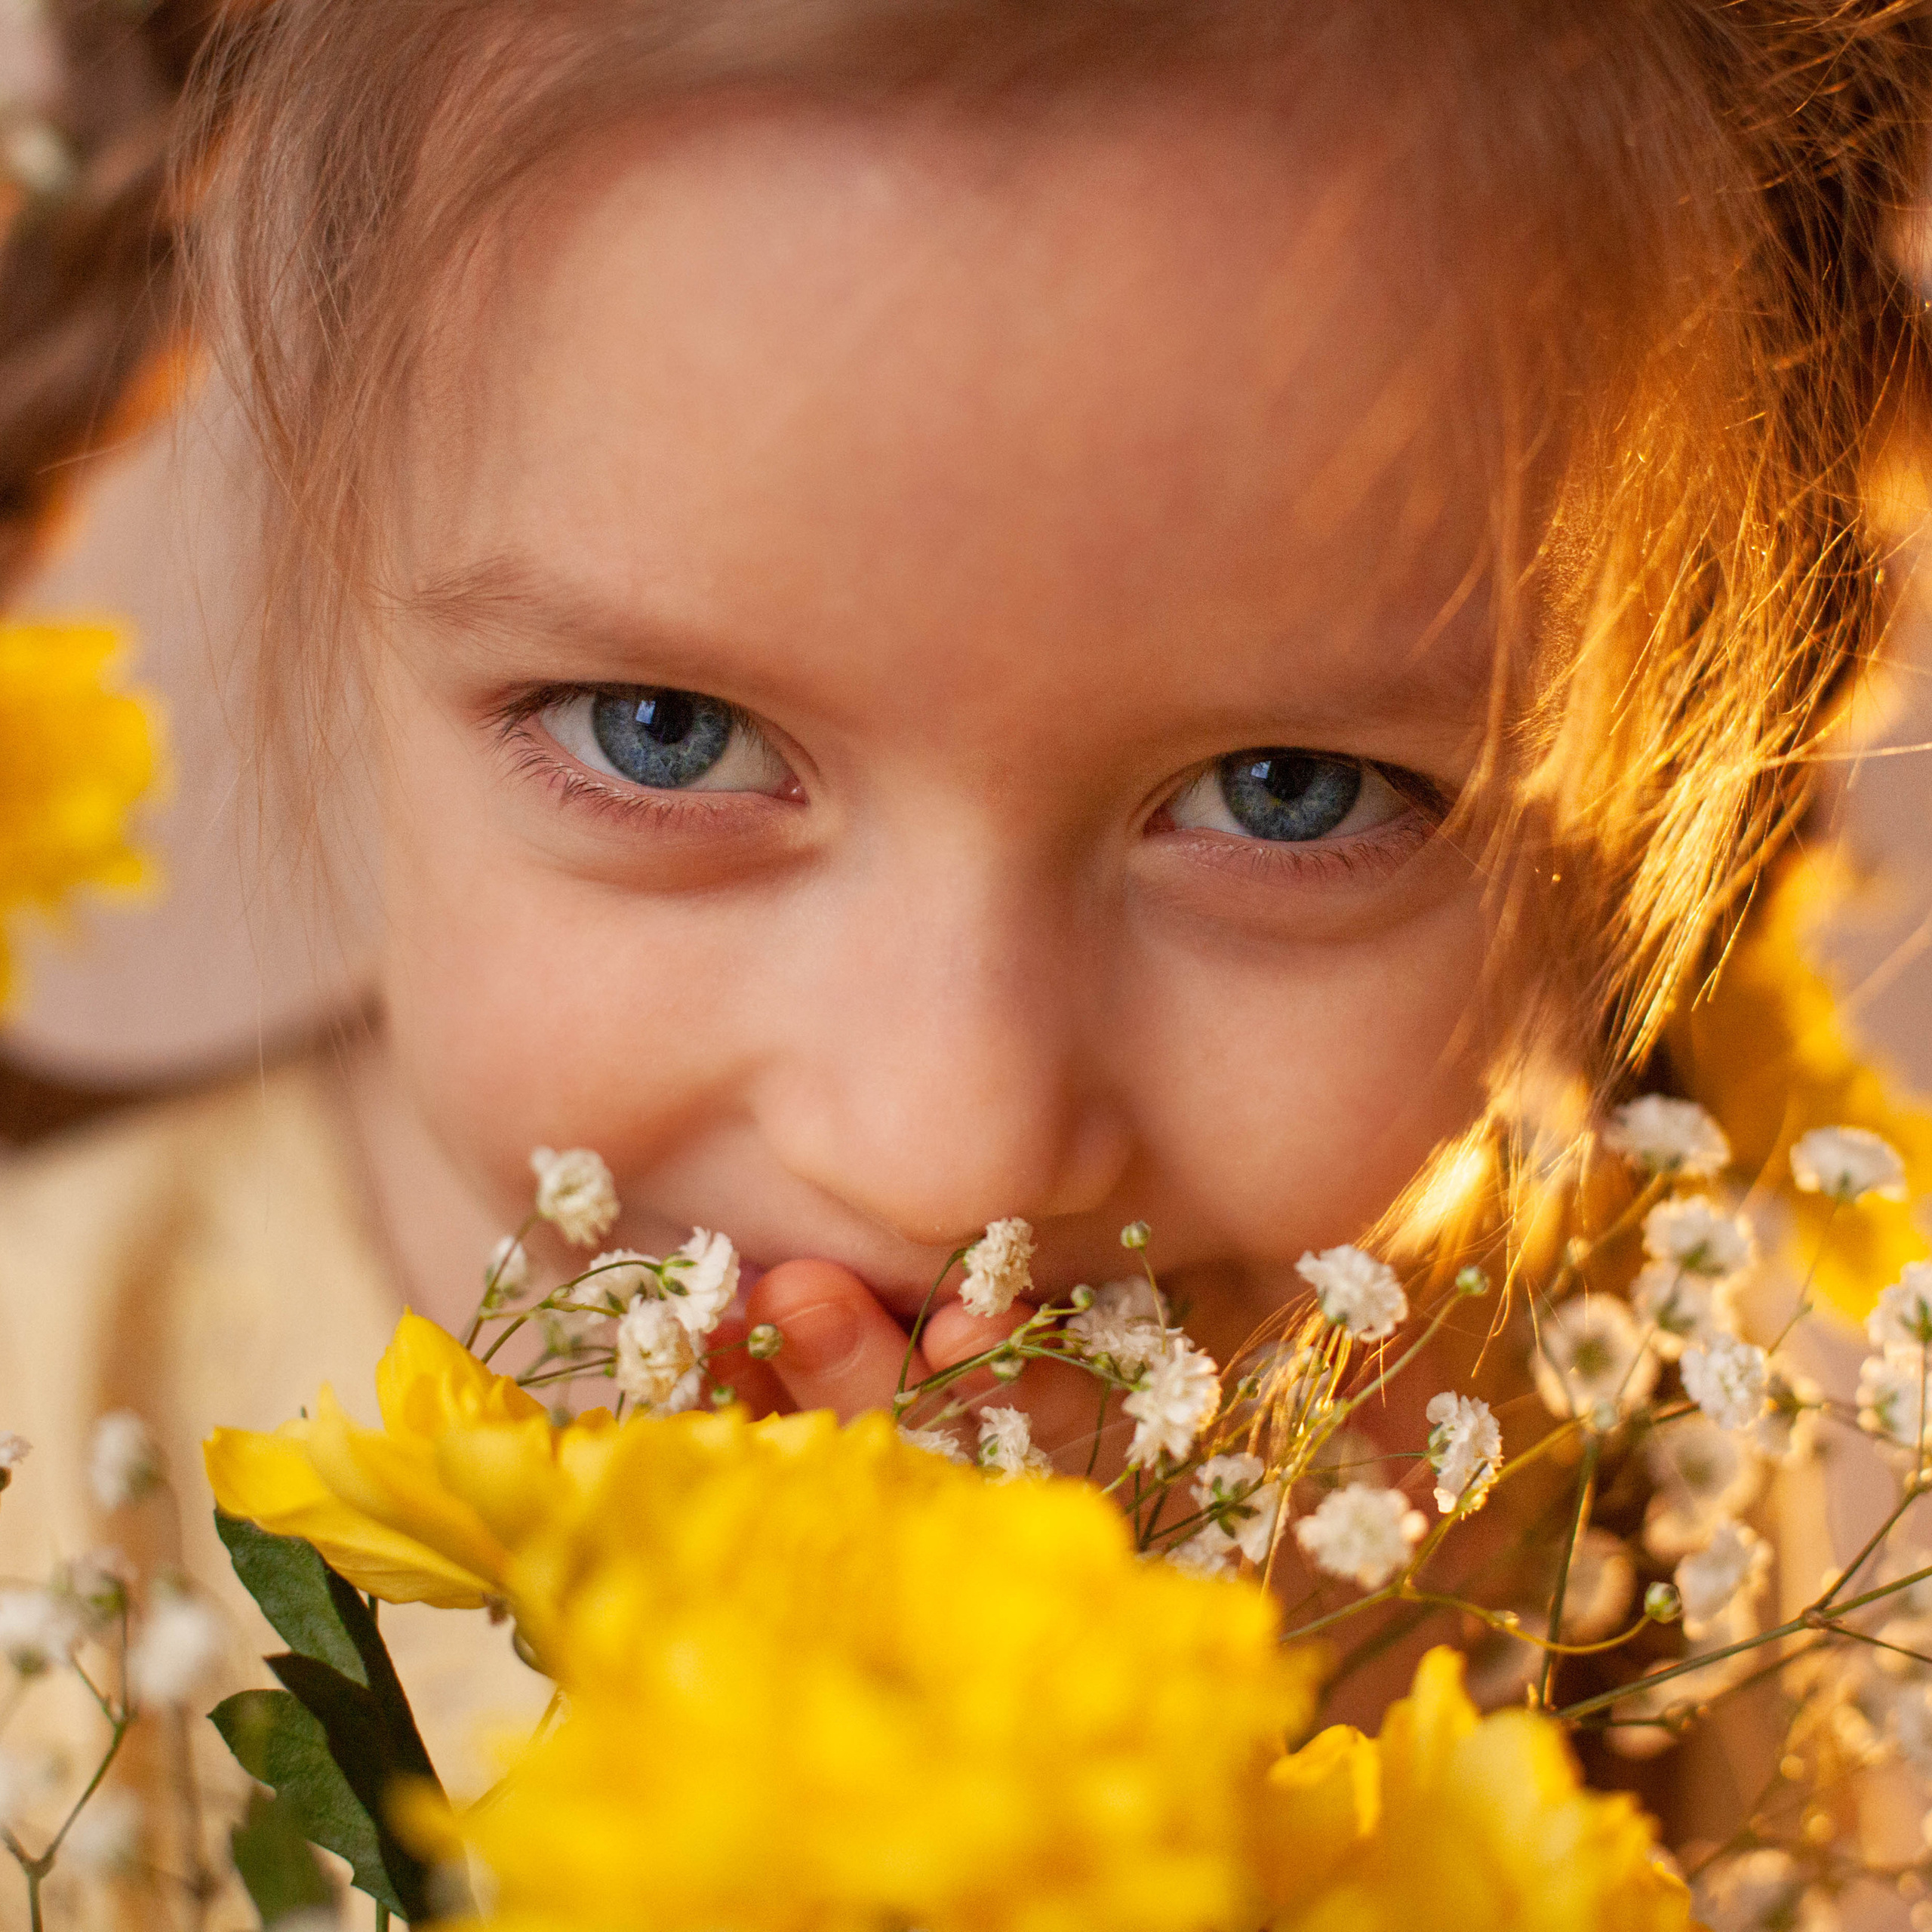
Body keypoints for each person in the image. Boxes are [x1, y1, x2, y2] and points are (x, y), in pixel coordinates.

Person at [4, 1, 1931, 1924]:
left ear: (1682, 718)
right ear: (329, 569)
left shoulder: (1583, 1476)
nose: (955, 1149)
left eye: (1286, 791)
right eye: (660, 729)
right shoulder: (49, 1450)